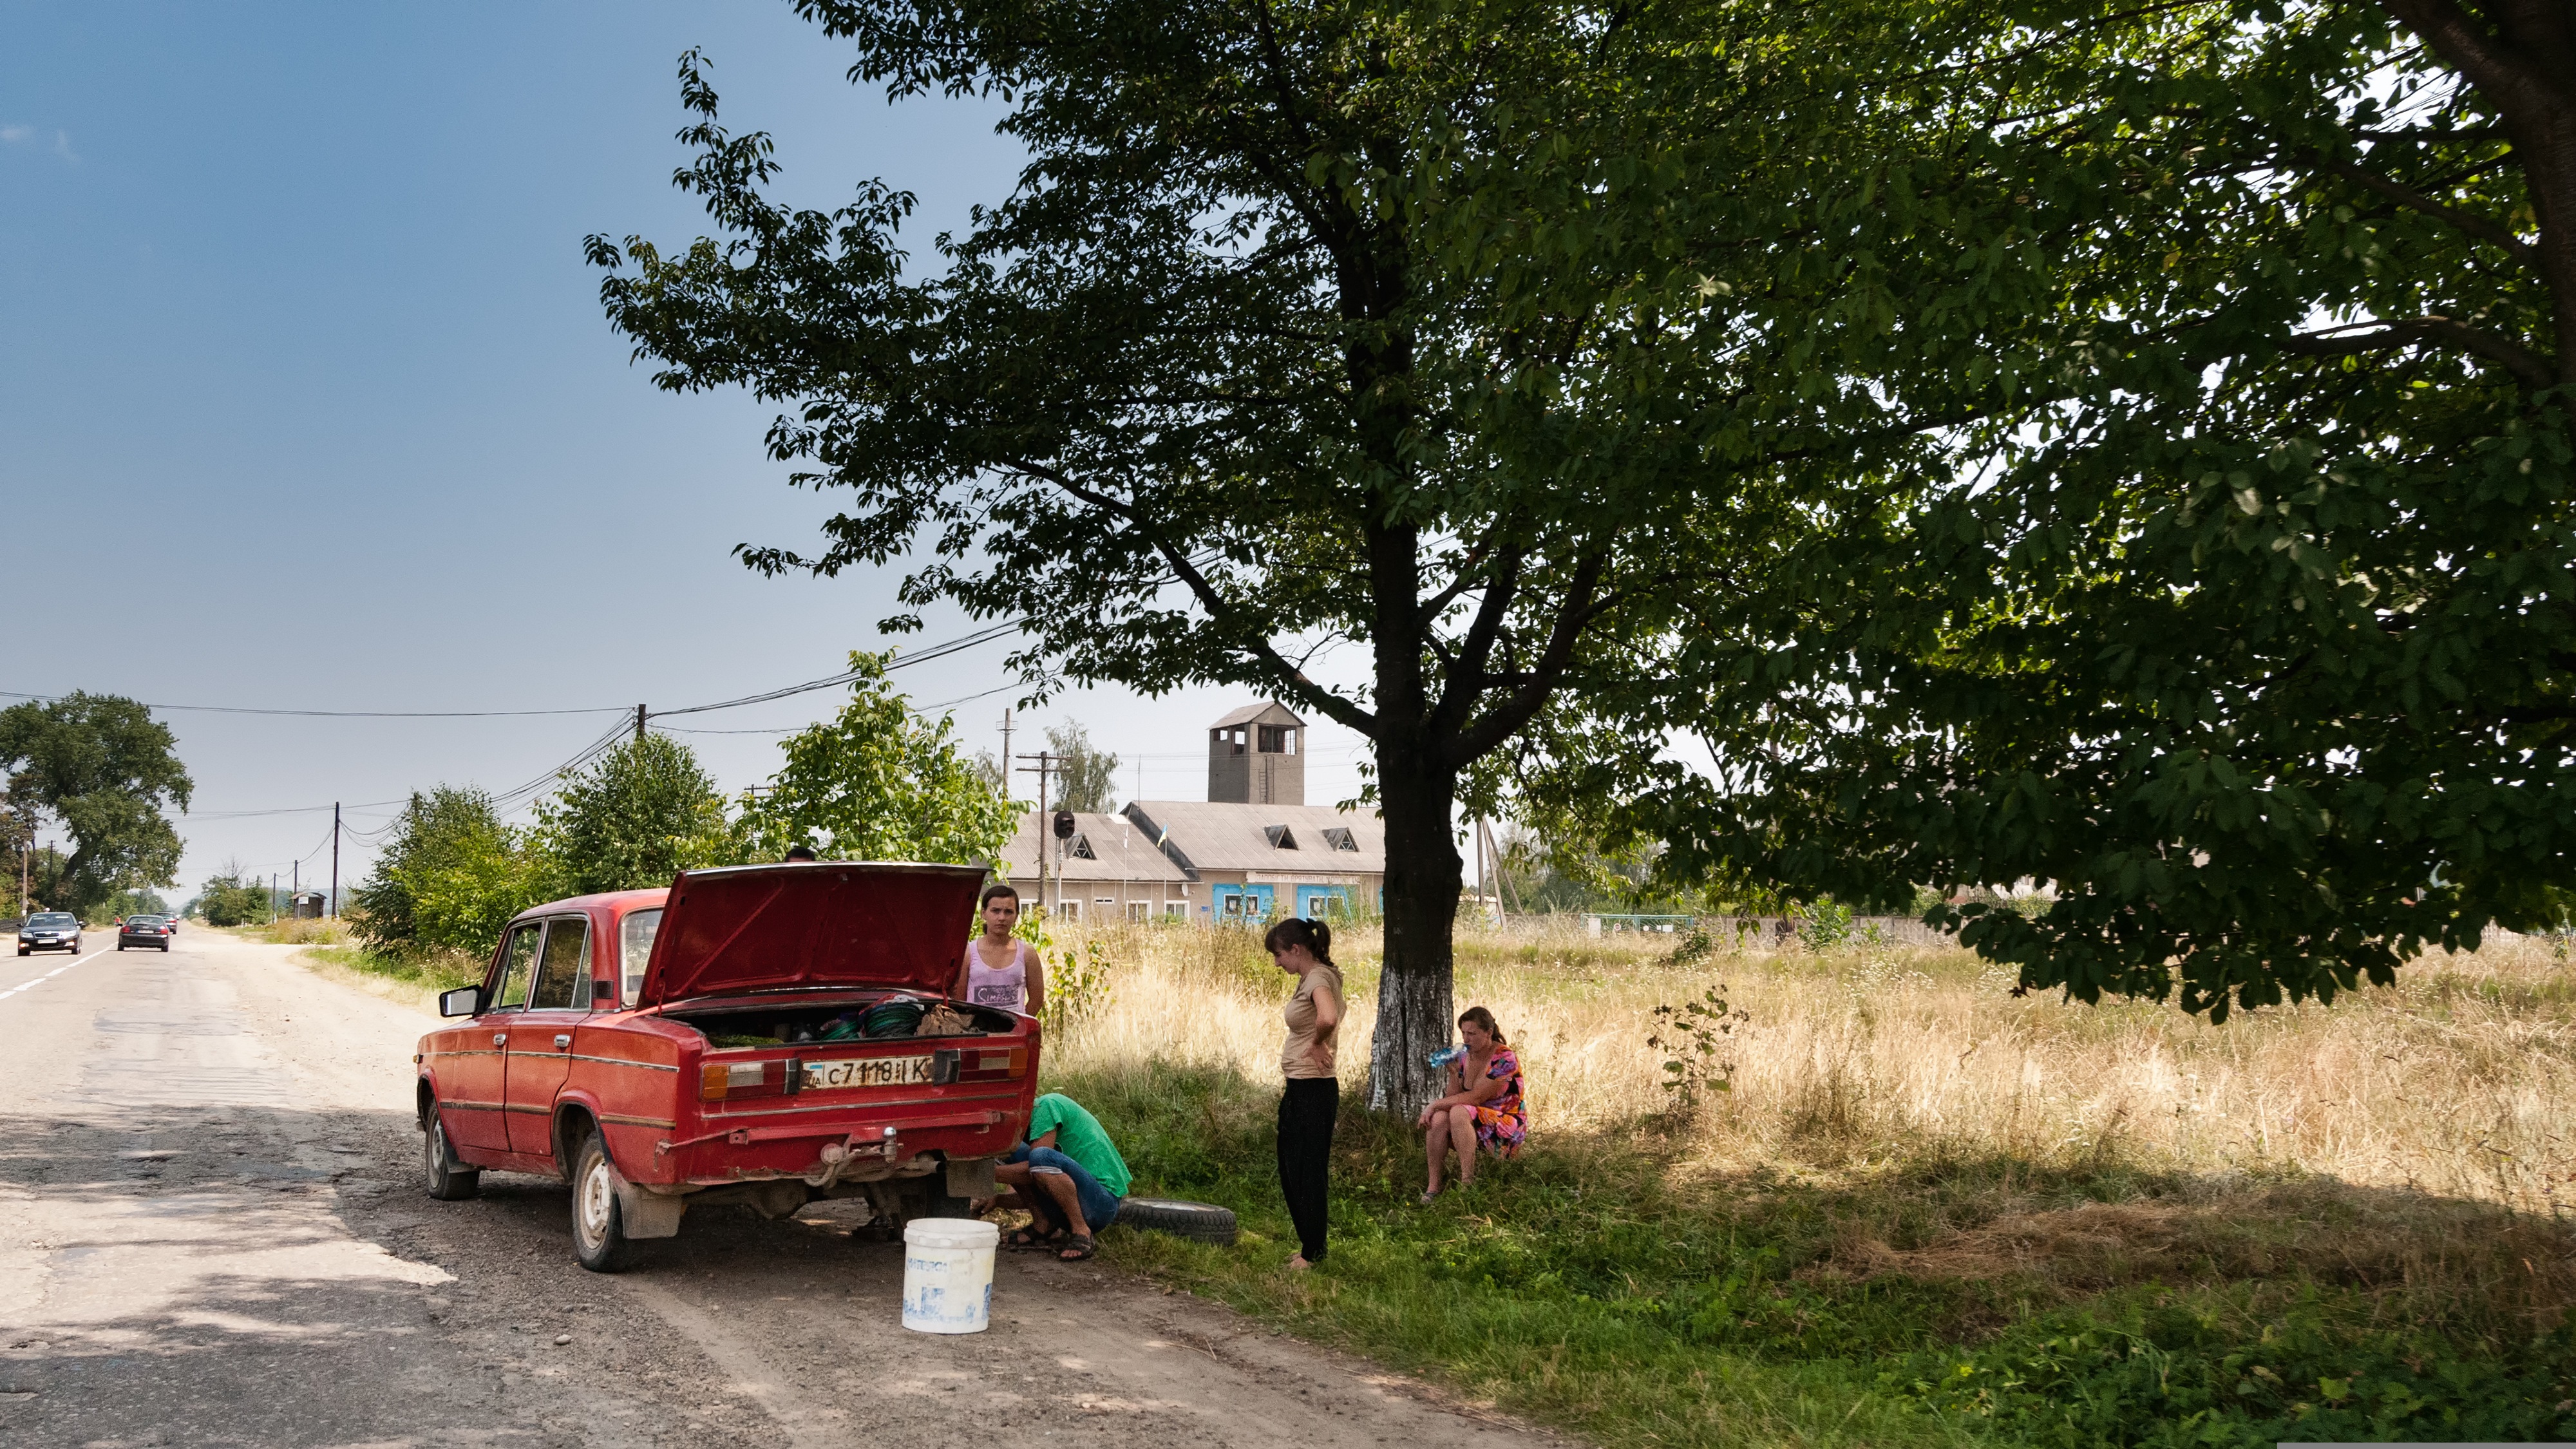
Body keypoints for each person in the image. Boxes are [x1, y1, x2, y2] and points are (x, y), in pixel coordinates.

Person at [1268, 916, 1341, 1271]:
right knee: (1293, 1168)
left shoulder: (1316, 978)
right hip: (1303, 1087)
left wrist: (1316, 1044)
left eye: (1279, 954)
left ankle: (1313, 1253)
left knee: (1307, 1170)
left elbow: (1327, 1017)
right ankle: (1310, 1246)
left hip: (1313, 1089)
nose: (1277, 962)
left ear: (1296, 950)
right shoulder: (1316, 976)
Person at [993, 1091, 1130, 1262]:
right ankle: (1043, 1225)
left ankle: (1082, 1232)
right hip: (1072, 1203)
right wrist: (997, 1200)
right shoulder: (1028, 1130)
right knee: (1013, 1150)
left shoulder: (1045, 1106)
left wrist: (989, 1175)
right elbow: (1031, 1186)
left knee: (1041, 1156)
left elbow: (1036, 1167)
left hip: (1101, 1204)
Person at [1418, 1005, 1525, 1201]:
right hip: (1471, 1117)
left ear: (1489, 1033)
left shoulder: (1504, 1057)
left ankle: (1468, 1183)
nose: (1466, 1039)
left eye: (1472, 1034)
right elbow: (1454, 1096)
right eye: (1464, 1033)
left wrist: (1433, 1104)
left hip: (1506, 1124)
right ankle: (1433, 1186)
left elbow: (1477, 1098)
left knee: (1457, 1111)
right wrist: (1452, 1074)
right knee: (1439, 1118)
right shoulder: (1465, 1056)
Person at [951, 883, 1046, 1015]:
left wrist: (1019, 1027)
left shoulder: (1027, 954)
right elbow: (959, 1001)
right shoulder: (968, 953)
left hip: (1014, 1034)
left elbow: (1037, 1000)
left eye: (1008, 912)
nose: (1001, 918)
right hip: (978, 1032)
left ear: (1016, 917)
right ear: (983, 914)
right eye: (995, 911)